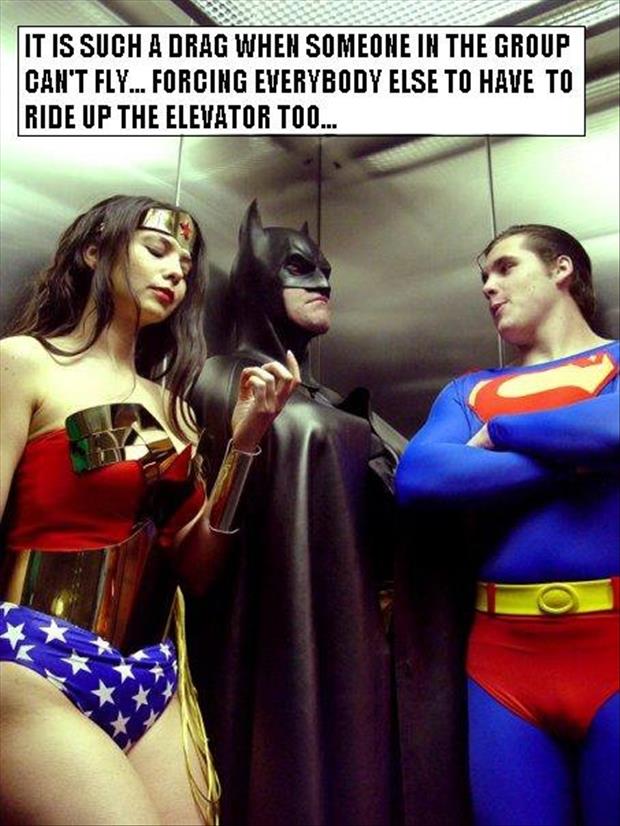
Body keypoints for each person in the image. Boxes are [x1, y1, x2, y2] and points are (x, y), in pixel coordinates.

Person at [0, 194, 300, 826]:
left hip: (149, 673)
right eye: (157, 250)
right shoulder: (26, 362)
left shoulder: (174, 409)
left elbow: (198, 568)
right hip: (34, 657)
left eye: (185, 266)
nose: (175, 273)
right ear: (94, 251)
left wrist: (244, 443)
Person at [188, 201, 406, 826]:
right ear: (258, 280)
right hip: (268, 637)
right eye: (298, 268)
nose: (322, 282)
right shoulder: (223, 376)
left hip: (347, 631)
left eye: (325, 270)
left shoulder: (329, 398)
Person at [396, 224, 619, 826]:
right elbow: (421, 477)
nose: (488, 287)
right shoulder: (469, 389)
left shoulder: (614, 361)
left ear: (562, 268)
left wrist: (500, 432)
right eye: (483, 277)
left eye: (505, 267)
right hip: (503, 662)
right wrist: (580, 464)